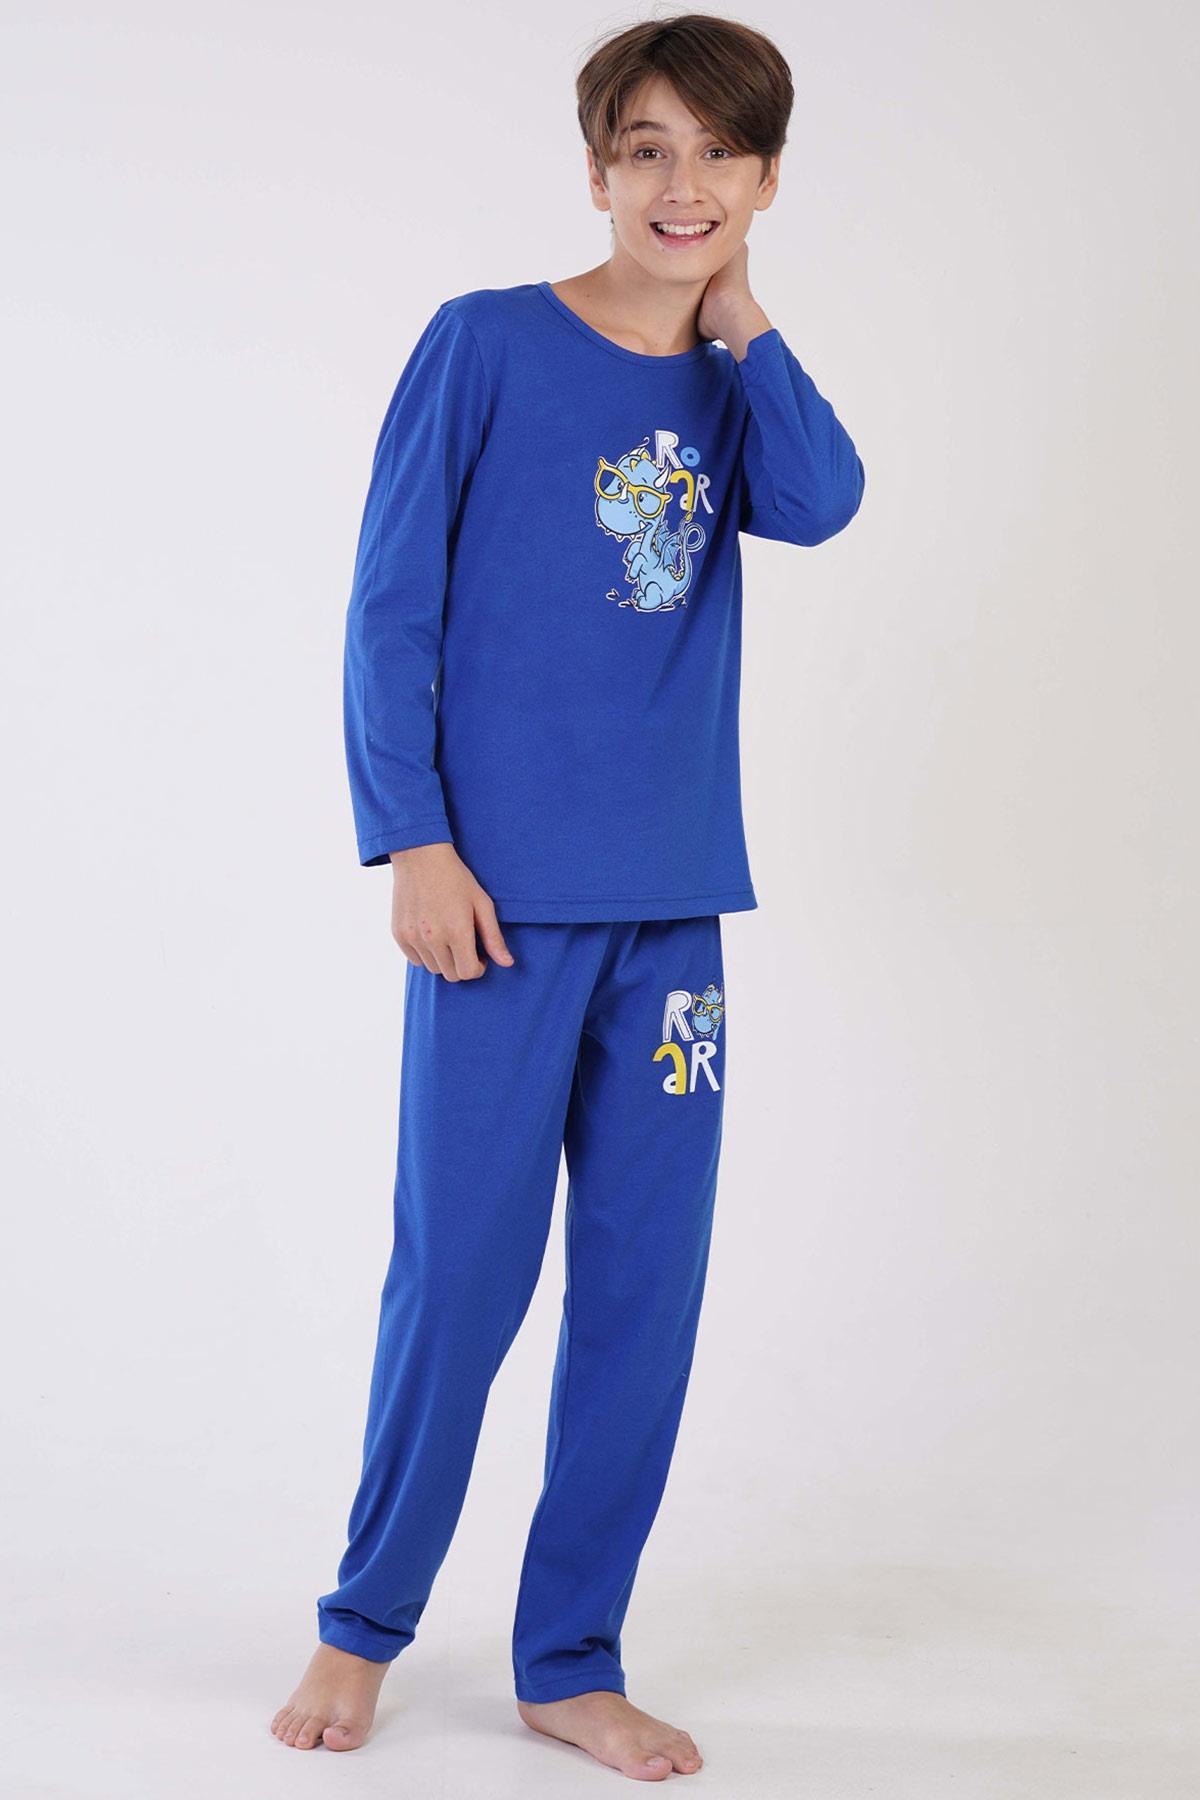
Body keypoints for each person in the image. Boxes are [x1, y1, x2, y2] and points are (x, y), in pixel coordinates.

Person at [270, 12, 864, 1780]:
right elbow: (390, 605)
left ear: (766, 180)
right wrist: (414, 839)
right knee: (460, 1277)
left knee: (638, 1295)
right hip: (495, 912)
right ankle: (363, 1625)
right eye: (648, 149)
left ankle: (569, 1656)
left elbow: (825, 503)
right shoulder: (486, 345)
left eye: (719, 154)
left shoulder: (738, 399)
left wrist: (746, 322)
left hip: (671, 914)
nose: (682, 184)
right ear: (597, 167)